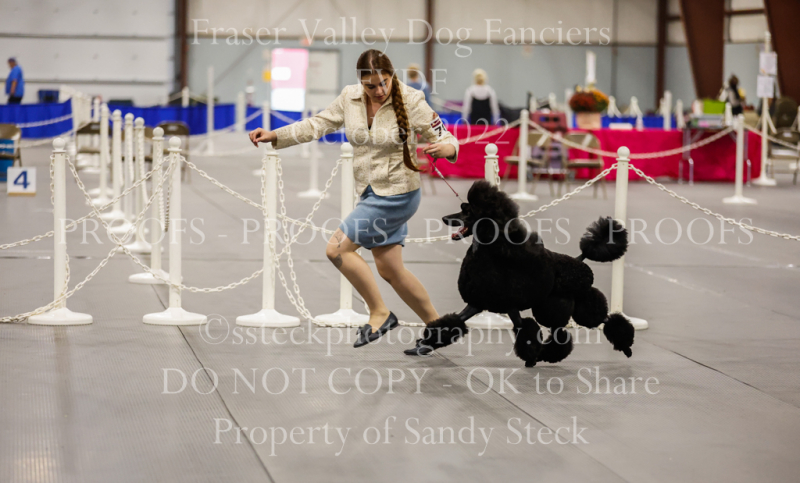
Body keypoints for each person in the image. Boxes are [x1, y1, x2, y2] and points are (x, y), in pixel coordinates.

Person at [249, 49, 459, 351]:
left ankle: (380, 313)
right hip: (370, 192)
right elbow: (316, 124)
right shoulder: (349, 97)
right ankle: (439, 329)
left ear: (391, 75)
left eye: (384, 82)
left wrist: (448, 149)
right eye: (371, 85)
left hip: (399, 194)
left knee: (336, 249)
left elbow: (445, 136)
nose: (379, 90)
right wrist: (276, 135)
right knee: (391, 270)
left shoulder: (412, 99)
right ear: (360, 82)